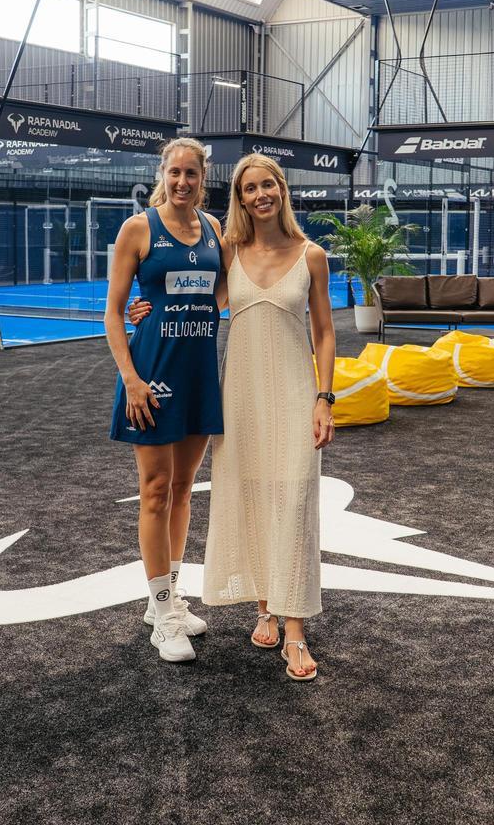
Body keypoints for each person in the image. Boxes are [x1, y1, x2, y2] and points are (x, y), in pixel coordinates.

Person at [129, 154, 336, 680]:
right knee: (252, 493)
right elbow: (194, 290)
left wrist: (324, 397)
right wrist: (145, 306)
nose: (260, 194)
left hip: (293, 392)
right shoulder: (229, 250)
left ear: (282, 189)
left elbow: (325, 332)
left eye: (268, 184)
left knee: (293, 497)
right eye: (250, 188)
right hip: (238, 395)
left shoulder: (312, 256)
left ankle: (294, 632)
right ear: (240, 198)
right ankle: (264, 606)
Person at [104, 137, 224, 664]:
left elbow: (220, 294)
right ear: (163, 174)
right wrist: (130, 377)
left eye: (191, 174)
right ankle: (162, 611)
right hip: (150, 376)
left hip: (198, 374)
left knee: (182, 491)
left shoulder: (216, 229)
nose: (182, 182)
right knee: (154, 489)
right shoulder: (138, 228)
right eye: (174, 173)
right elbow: (111, 313)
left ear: (203, 177)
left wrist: (169, 302)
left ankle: (168, 598)